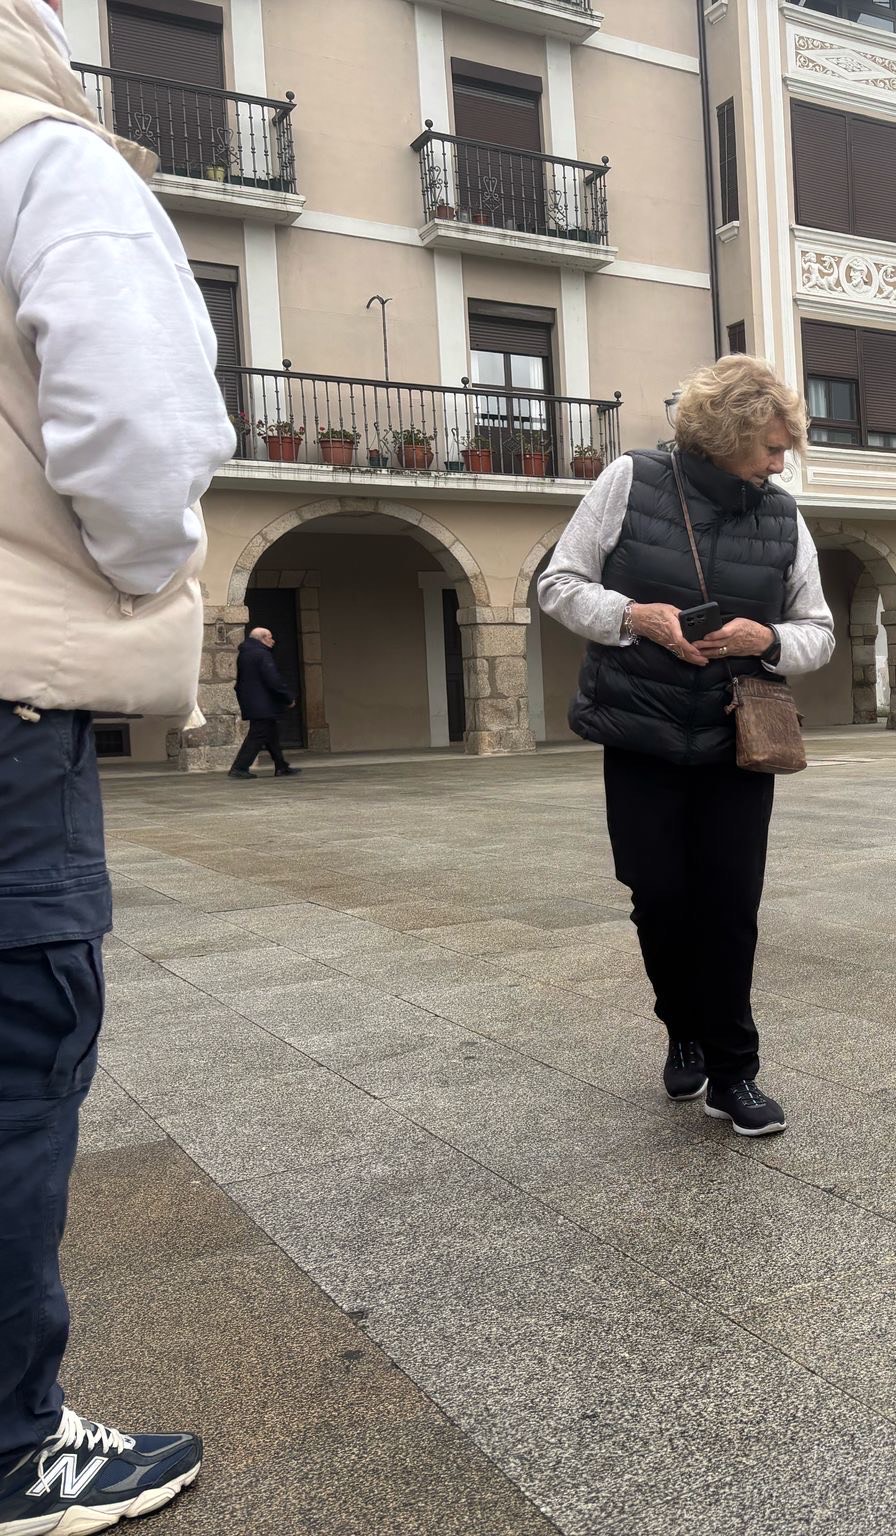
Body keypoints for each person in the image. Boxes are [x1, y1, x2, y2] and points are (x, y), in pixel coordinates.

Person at [0, 0, 235, 1529]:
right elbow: (145, 434)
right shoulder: (46, 160)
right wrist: (143, 589)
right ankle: (14, 1442)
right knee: (17, 1058)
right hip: (8, 698)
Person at [539, 355, 833, 1137]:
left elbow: (818, 632)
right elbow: (560, 584)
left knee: (730, 909)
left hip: (739, 738)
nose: (781, 462)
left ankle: (734, 1072)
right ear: (728, 432)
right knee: (659, 899)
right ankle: (684, 1029)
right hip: (639, 731)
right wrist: (634, 616)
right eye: (771, 447)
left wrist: (765, 637)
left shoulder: (783, 514)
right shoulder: (629, 482)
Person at [227, 627, 300, 779]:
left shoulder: (245, 654)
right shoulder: (261, 654)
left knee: (270, 734)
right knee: (257, 735)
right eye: (270, 637)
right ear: (262, 638)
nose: (273, 641)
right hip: (262, 703)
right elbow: (273, 680)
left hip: (253, 702)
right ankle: (239, 768)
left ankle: (281, 766)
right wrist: (287, 697)